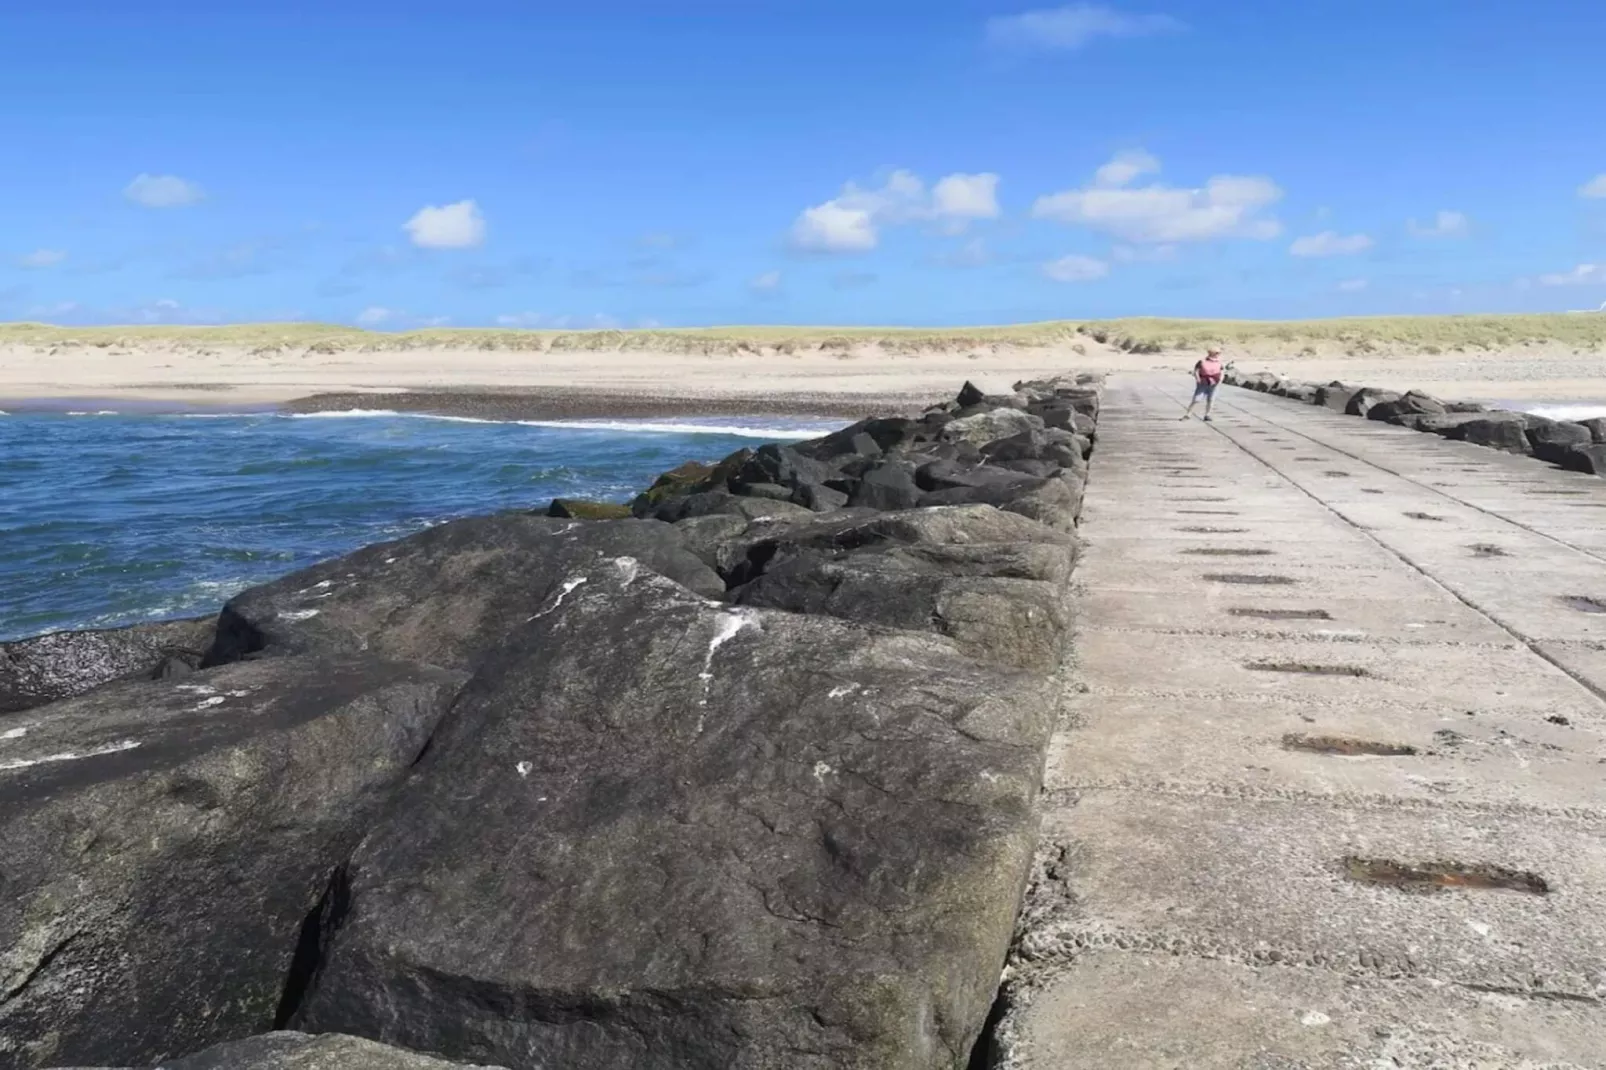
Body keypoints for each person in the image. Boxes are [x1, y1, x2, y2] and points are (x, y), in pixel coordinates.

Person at [1183, 347, 1225, 421]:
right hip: (1203, 383)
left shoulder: (1220, 362)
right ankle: (1188, 414)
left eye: (1219, 353)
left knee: (1211, 399)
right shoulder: (1202, 361)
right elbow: (1196, 371)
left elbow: (1222, 372)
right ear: (1211, 353)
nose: (1218, 354)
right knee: (1196, 399)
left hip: (1214, 383)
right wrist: (1198, 378)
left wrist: (1221, 380)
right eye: (1217, 353)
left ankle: (1207, 415)